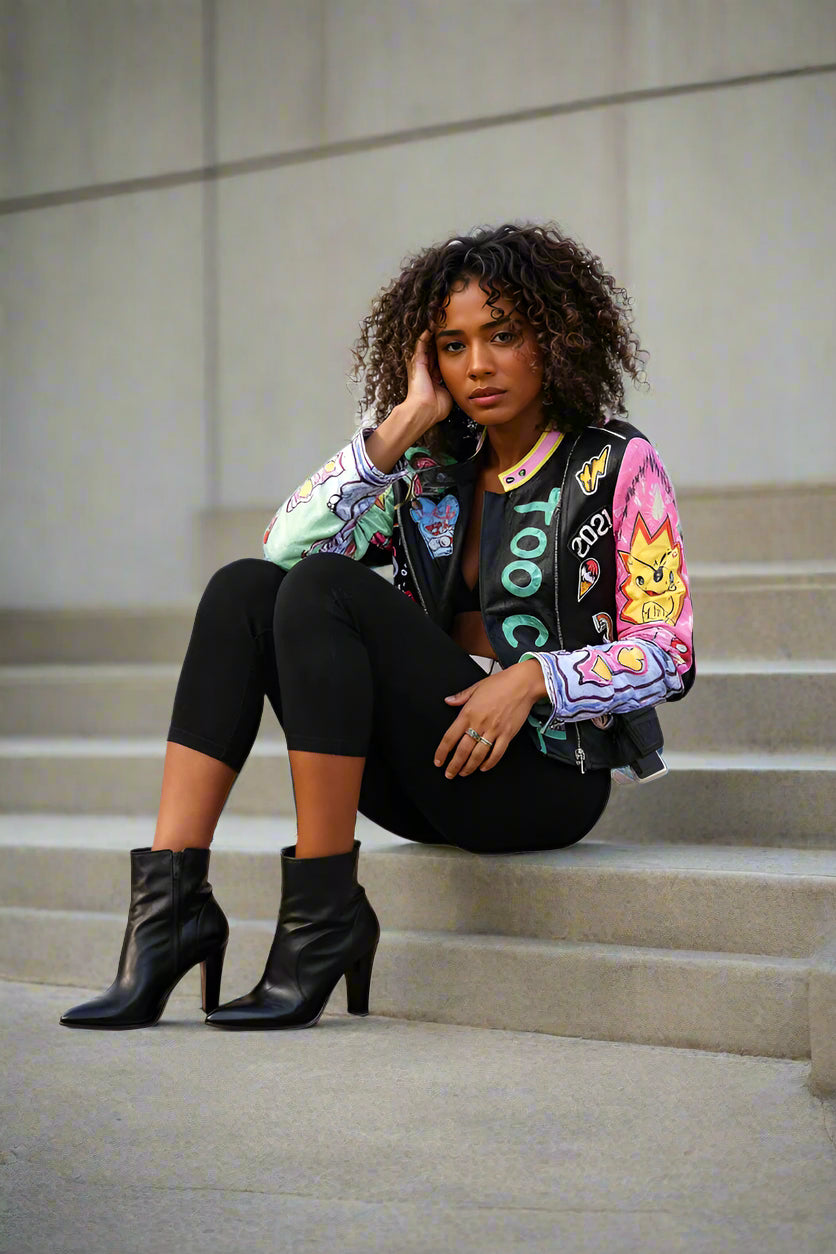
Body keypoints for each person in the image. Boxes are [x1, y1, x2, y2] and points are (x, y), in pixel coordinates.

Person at [60, 221, 695, 1033]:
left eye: (503, 336)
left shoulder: (614, 465)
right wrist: (402, 424)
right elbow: (283, 547)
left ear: (555, 335)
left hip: (544, 779)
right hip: (426, 770)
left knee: (328, 587)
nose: (479, 366)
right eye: (454, 345)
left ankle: (321, 922)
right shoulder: (431, 472)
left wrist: (537, 677)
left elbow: (669, 652)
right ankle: (168, 913)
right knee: (244, 591)